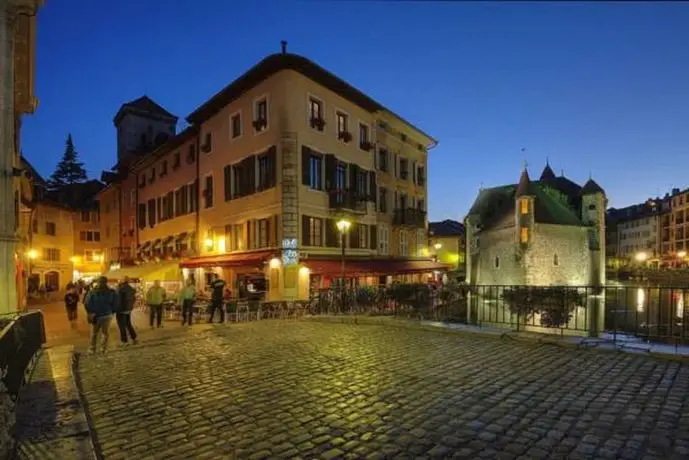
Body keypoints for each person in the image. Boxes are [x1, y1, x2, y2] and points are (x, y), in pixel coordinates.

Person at [85, 276, 118, 354]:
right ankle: (102, 348)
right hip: (107, 315)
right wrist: (112, 311)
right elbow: (115, 304)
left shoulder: (92, 292)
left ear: (98, 282)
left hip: (96, 316)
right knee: (105, 332)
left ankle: (92, 349)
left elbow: (87, 304)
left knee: (94, 333)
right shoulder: (111, 292)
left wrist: (91, 312)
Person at [116, 276, 138, 345]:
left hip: (121, 310)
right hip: (128, 309)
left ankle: (124, 341)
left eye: (120, 279)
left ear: (122, 281)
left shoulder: (120, 289)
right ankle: (134, 337)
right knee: (128, 324)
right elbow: (134, 299)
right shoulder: (131, 289)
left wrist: (116, 309)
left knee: (121, 326)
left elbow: (118, 300)